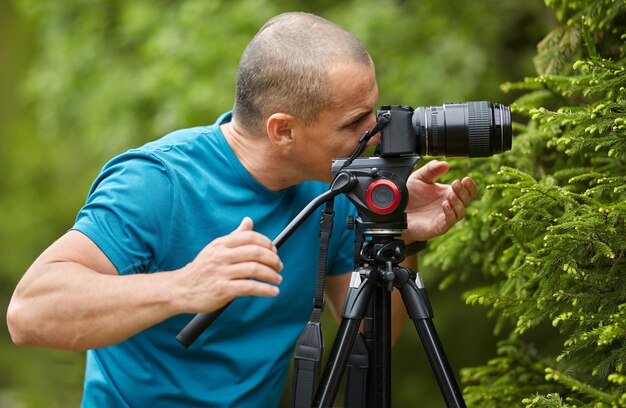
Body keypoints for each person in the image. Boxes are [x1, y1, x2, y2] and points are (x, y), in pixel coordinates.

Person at [7, 12, 477, 407]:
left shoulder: (336, 189)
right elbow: (29, 314)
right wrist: (184, 286)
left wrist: (396, 233)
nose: (376, 134)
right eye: (355, 123)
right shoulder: (157, 183)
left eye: (374, 113)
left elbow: (376, 340)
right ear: (283, 130)